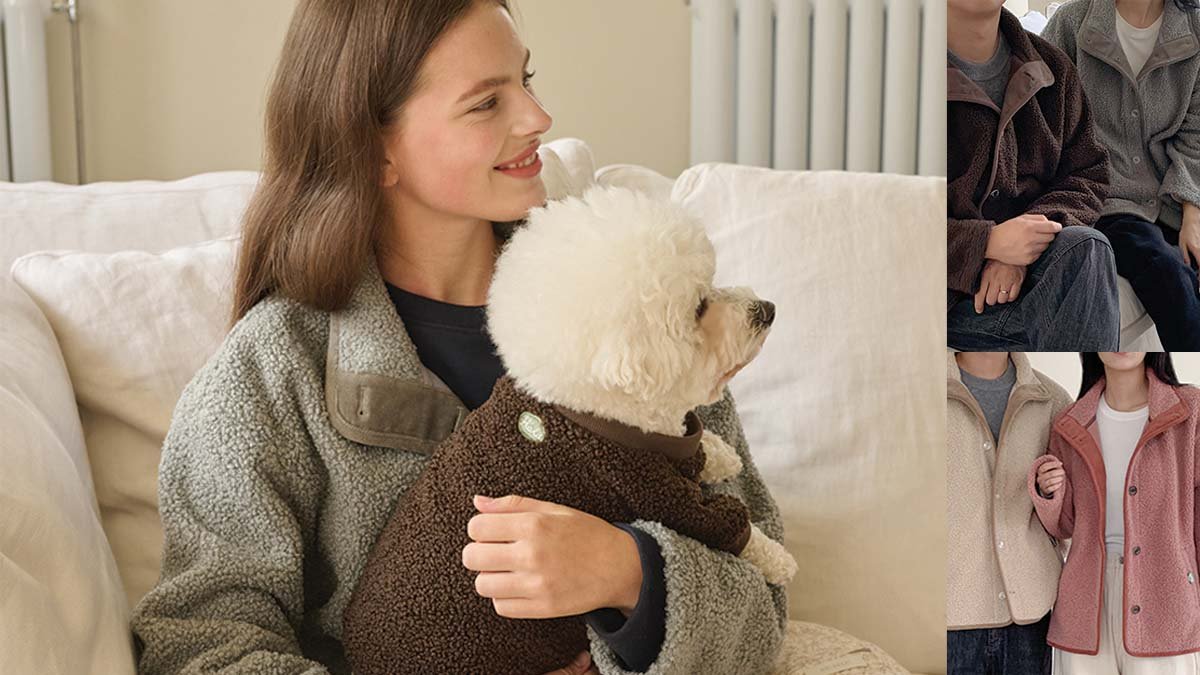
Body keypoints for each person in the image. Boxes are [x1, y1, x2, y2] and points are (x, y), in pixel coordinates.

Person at [128, 1, 789, 673]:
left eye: (526, 81)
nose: (538, 118)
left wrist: (631, 574)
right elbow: (201, 647)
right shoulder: (269, 374)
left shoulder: (636, 301)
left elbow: (764, 606)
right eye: (485, 103)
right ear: (374, 147)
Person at [948, 0, 1121, 350]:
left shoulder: (1052, 67)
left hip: (1025, 284)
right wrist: (986, 243)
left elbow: (1087, 173)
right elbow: (873, 217)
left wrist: (1023, 247)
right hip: (933, 298)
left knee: (1087, 248)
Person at [1041, 0, 1200, 350]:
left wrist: (1193, 212)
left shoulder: (1194, 26)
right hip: (1105, 198)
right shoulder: (1072, 23)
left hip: (1172, 196)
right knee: (1163, 267)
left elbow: (1196, 132)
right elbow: (1044, 118)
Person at [1031, 352, 1200, 673]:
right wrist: (1049, 491)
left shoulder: (1190, 412)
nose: (1121, 344)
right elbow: (1064, 526)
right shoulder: (1069, 422)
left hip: (1167, 597)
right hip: (1086, 602)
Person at [946, 351, 1073, 675]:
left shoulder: (1052, 400)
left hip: (1031, 613)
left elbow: (1068, 519)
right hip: (949, 613)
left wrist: (1050, 494)